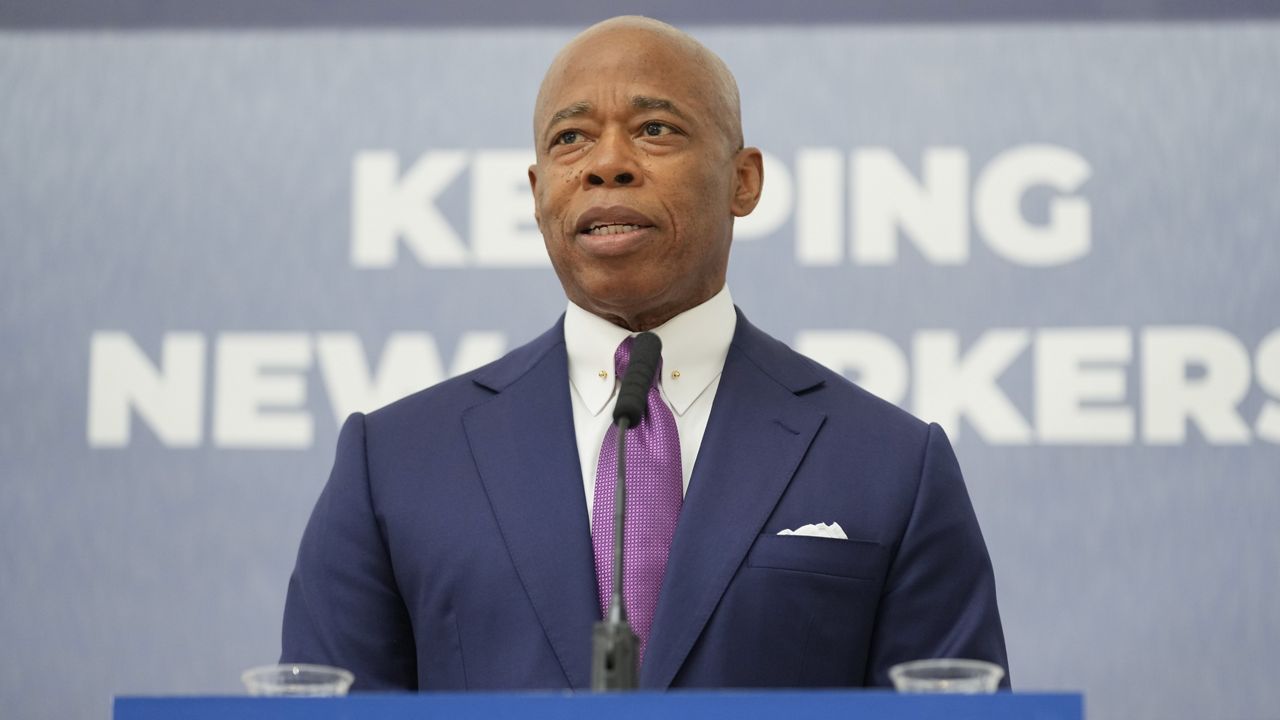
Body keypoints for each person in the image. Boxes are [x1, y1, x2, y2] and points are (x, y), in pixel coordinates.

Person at [281, 16, 1009, 691]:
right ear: (538, 194)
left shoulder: (890, 465)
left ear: (743, 180)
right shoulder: (395, 464)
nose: (606, 165)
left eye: (654, 129)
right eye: (570, 140)